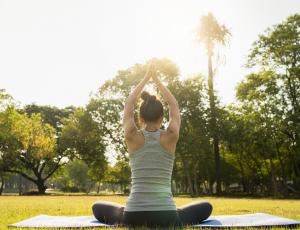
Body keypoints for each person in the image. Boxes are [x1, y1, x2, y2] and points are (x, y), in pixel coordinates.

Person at [92, 61, 213, 228]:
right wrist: (156, 80)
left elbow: (129, 104)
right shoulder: (171, 136)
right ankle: (172, 212)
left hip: (133, 216)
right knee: (206, 207)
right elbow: (174, 105)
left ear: (140, 117)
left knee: (97, 207)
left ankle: (124, 213)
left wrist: (145, 78)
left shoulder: (132, 136)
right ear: (162, 118)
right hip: (166, 216)